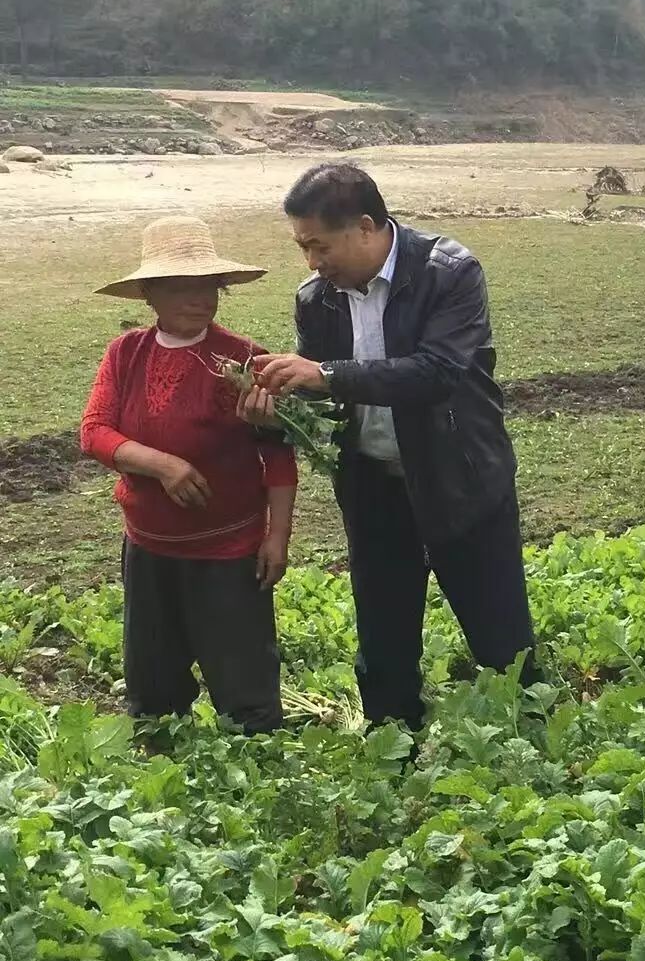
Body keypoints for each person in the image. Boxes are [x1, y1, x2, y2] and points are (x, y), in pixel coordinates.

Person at [239, 163, 538, 732]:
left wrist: (324, 374)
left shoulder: (449, 273)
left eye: (318, 245)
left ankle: (528, 739)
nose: (311, 262)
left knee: (500, 632)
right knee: (383, 638)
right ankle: (392, 747)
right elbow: (323, 404)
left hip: (461, 478)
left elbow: (437, 373)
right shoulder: (317, 300)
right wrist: (275, 413)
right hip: (373, 484)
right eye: (302, 247)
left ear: (367, 228)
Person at [79, 216, 298, 733]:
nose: (200, 298)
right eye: (182, 286)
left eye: (208, 286)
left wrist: (278, 536)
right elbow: (94, 432)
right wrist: (165, 465)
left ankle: (256, 778)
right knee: (153, 690)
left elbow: (279, 455)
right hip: (148, 547)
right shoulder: (126, 353)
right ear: (150, 294)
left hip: (227, 551)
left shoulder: (244, 359)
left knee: (246, 691)